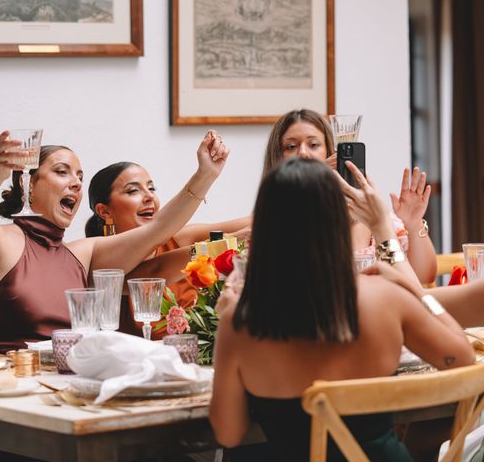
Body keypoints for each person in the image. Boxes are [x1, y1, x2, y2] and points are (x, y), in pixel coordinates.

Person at [209, 158, 474, 461]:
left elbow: (228, 433)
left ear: (267, 227)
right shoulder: (386, 298)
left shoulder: (239, 321)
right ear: (339, 221)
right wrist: (412, 290)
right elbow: (463, 360)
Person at [0, 130, 229, 354]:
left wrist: (205, 175)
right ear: (28, 183)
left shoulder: (82, 254)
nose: (76, 183)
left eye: (80, 176)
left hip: (57, 391)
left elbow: (160, 228)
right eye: (62, 172)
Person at [262, 109, 437, 284]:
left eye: (313, 144)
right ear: (278, 157)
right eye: (291, 147)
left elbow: (423, 276)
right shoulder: (276, 221)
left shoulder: (370, 215)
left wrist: (413, 224)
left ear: (331, 151)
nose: (303, 153)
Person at [84, 155, 250, 337]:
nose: (149, 197)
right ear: (104, 211)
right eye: (133, 191)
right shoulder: (97, 261)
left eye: (151, 188)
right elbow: (156, 271)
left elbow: (255, 221)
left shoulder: (179, 239)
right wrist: (227, 241)